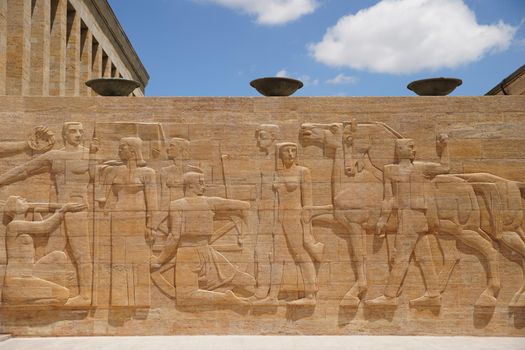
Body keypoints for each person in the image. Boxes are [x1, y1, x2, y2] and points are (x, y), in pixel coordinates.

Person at [0, 122, 97, 306]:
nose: (78, 134)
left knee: (81, 253)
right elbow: (25, 170)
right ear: (64, 135)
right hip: (57, 209)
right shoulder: (55, 156)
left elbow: (97, 179)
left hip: (77, 210)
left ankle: (85, 296)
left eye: (81, 131)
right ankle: (44, 293)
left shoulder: (88, 153)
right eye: (73, 131)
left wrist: (94, 155)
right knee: (51, 253)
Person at [151, 167, 255, 306]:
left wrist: (160, 260)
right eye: (201, 183)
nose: (204, 187)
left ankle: (226, 298)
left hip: (188, 254)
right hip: (208, 252)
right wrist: (247, 232)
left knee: (185, 296)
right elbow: (245, 206)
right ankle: (258, 288)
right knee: (238, 277)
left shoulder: (177, 205)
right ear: (190, 185)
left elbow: (175, 236)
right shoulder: (210, 202)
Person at [367, 136, 449, 307]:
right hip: (405, 215)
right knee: (424, 257)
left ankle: (390, 296)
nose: (414, 150)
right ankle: (433, 294)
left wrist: (444, 147)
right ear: (399, 150)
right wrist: (382, 219)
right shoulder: (390, 170)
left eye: (414, 147)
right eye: (410, 147)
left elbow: (445, 167)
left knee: (401, 257)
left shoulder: (421, 168)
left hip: (415, 216)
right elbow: (388, 198)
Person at [257, 142, 323, 306]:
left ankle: (311, 294)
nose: (291, 154)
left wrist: (307, 227)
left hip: (295, 218)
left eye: (294, 150)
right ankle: (273, 296)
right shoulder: (277, 174)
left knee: (301, 254)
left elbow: (308, 202)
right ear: (280, 154)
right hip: (280, 218)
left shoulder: (302, 172)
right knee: (277, 257)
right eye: (287, 151)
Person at [98, 137, 157, 308]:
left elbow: (152, 202)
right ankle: (120, 301)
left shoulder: (148, 173)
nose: (119, 151)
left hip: (139, 220)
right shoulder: (113, 171)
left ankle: (141, 302)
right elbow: (105, 197)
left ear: (132, 151)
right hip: (117, 219)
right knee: (119, 260)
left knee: (140, 260)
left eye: (122, 147)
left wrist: (151, 225)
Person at [2, 196, 86, 305]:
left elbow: (43, 235)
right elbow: (44, 227)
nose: (24, 199)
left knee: (58, 256)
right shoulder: (14, 225)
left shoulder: (24, 226)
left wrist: (37, 211)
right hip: (16, 282)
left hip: (29, 275)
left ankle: (47, 298)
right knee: (63, 294)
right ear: (14, 207)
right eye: (20, 199)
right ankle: (37, 301)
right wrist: (63, 210)